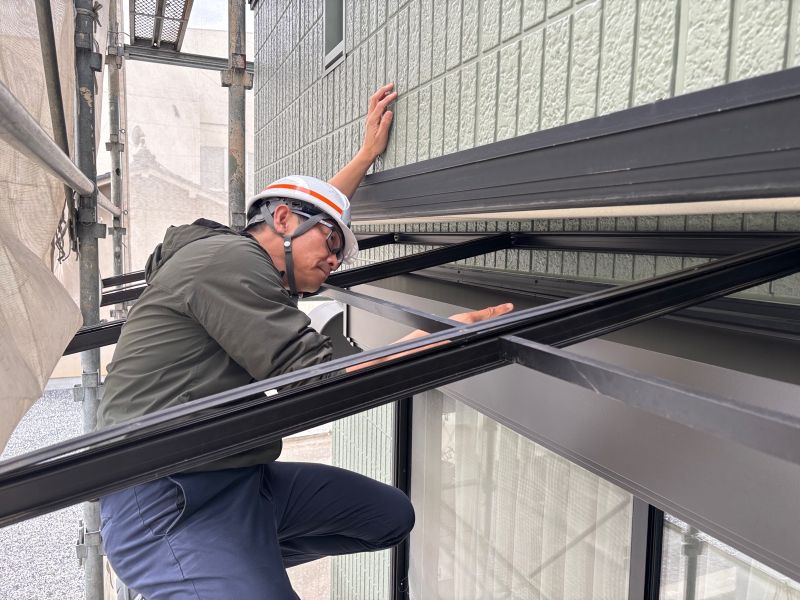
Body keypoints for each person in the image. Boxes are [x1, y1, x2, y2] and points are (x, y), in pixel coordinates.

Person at [96, 84, 513, 599]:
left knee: (388, 518)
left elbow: (313, 219)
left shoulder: (248, 262)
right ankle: (212, 572)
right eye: (332, 244)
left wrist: (365, 157)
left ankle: (236, 562)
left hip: (241, 478)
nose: (336, 260)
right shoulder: (229, 261)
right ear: (281, 220)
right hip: (166, 497)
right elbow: (316, 380)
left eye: (341, 252)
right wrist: (439, 337)